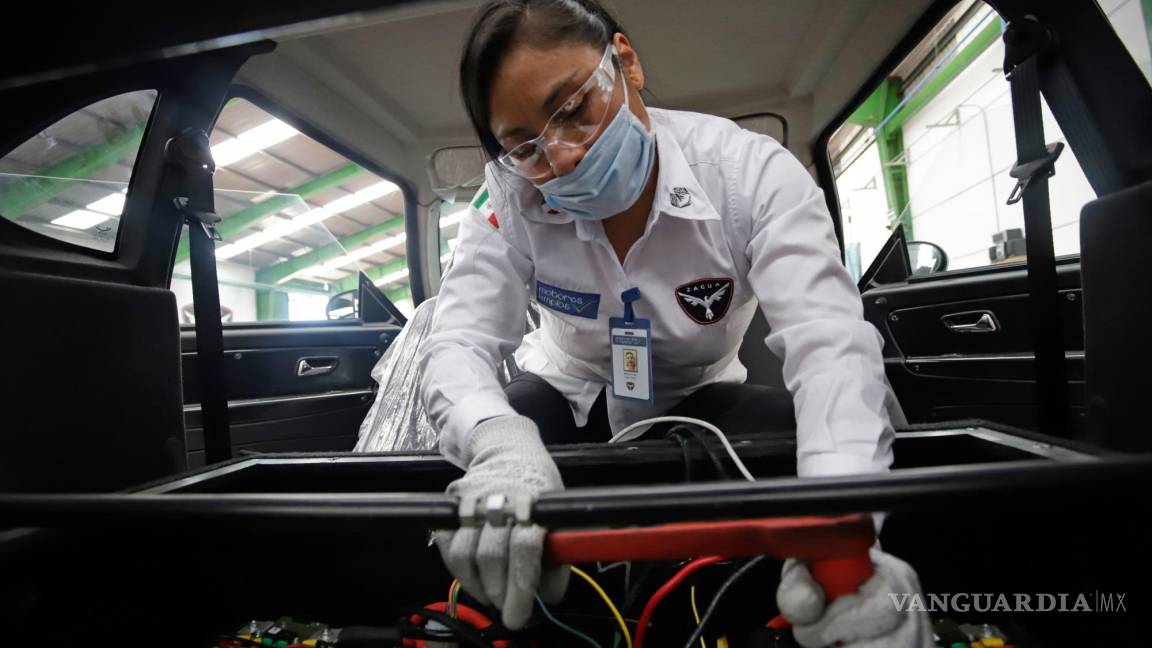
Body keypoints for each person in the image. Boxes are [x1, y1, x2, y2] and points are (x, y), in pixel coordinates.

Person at [418, 1, 931, 644]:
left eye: (574, 109)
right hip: (569, 387)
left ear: (625, 62)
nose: (567, 157)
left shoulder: (750, 174)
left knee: (800, 442)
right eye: (527, 145)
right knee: (476, 491)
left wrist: (843, 535)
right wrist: (498, 443)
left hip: (700, 391)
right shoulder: (509, 198)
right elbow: (458, 340)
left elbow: (829, 346)